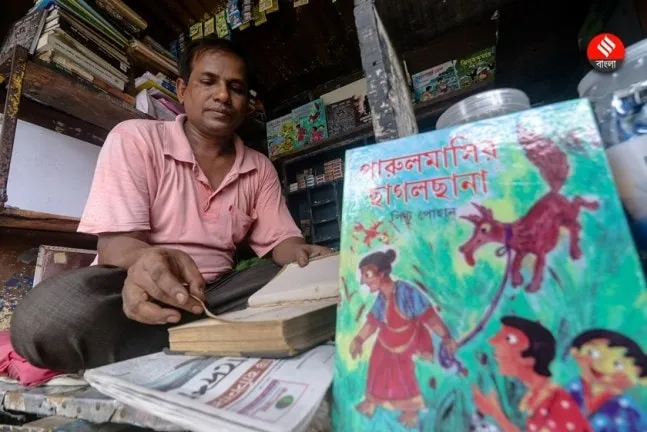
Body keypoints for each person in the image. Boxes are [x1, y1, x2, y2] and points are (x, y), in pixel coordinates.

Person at [10, 37, 329, 372]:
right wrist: (151, 259)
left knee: (295, 282)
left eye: (235, 88)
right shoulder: (135, 138)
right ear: (182, 90)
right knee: (43, 317)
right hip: (133, 288)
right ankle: (210, 341)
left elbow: (283, 243)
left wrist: (307, 258)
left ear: (246, 103)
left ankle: (170, 348)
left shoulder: (258, 166)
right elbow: (115, 248)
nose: (222, 95)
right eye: (208, 82)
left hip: (216, 295)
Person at [349, 249, 457, 428]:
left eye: (367, 275)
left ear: (382, 273)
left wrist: (446, 336)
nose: (363, 281)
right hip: (386, 339)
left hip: (408, 338)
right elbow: (373, 322)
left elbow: (429, 316)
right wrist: (359, 339)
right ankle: (371, 402)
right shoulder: (382, 298)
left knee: (405, 374)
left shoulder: (406, 291)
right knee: (376, 367)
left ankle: (411, 410)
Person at [472, 316, 592, 432]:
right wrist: (494, 412)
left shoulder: (555, 400)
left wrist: (496, 413)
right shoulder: (536, 397)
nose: (493, 343)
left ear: (529, 359)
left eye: (508, 339)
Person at [568, 329, 646, 431]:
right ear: (575, 352)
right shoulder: (565, 393)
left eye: (618, 364)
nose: (603, 366)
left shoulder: (630, 412)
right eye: (593, 353)